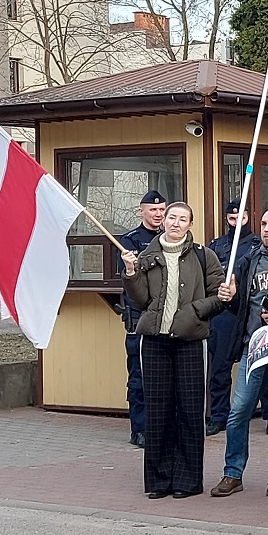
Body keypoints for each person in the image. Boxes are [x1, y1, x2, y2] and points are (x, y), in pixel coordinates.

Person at [121, 202, 231, 498]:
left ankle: (186, 481)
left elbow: (219, 297)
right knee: (158, 411)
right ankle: (158, 480)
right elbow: (141, 299)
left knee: (190, 411)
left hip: (191, 341)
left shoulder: (203, 256)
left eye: (182, 219)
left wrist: (194, 312)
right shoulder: (147, 255)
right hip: (155, 342)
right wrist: (131, 273)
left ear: (190, 224)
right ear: (163, 221)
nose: (176, 223)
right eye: (172, 217)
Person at [208, 208, 268, 499]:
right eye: (264, 223)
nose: (267, 229)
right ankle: (232, 473)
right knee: (238, 411)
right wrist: (230, 297)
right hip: (253, 347)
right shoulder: (251, 259)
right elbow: (239, 306)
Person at [118, 190, 167, 447]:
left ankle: (162, 427)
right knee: (139, 377)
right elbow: (129, 283)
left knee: (164, 377)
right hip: (139, 318)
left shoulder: (171, 239)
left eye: (161, 210)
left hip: (165, 317)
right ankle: (139, 428)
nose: (158, 215)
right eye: (153, 210)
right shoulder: (129, 242)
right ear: (142, 211)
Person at [205, 200, 258, 436]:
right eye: (232, 218)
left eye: (241, 218)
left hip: (249, 309)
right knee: (219, 367)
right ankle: (218, 415)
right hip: (223, 312)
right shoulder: (217, 246)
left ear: (248, 217)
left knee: (261, 363)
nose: (236, 222)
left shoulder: (256, 245)